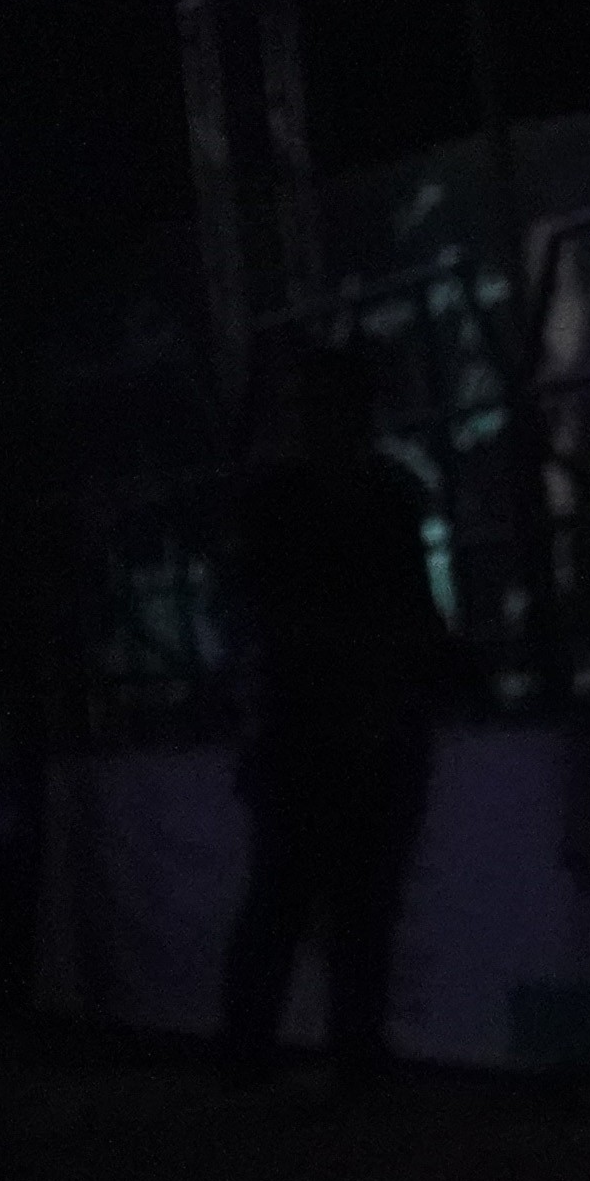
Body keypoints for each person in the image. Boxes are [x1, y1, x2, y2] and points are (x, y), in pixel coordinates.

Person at [216, 342, 451, 1082]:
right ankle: (340, 1053)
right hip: (341, 721)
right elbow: (408, 610)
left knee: (306, 899)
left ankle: (272, 1055)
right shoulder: (374, 493)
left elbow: (272, 615)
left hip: (319, 722)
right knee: (343, 901)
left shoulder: (289, 498)